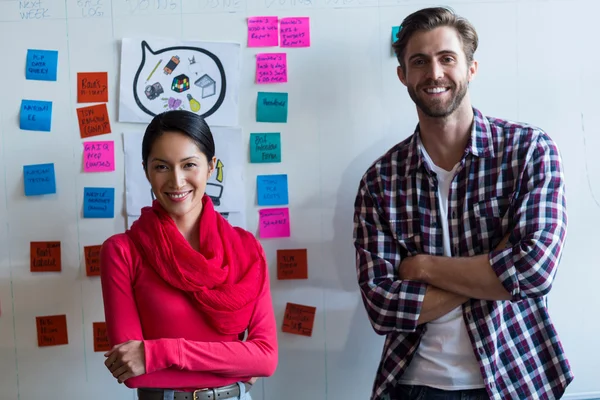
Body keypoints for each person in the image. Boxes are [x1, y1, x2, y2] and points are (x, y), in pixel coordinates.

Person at [353, 7, 572, 400]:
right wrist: (497, 265)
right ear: (402, 75)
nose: (434, 73)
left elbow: (535, 272)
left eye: (447, 58)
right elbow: (382, 307)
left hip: (515, 376)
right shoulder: (380, 181)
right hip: (414, 385)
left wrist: (422, 267)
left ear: (471, 68)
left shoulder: (528, 151)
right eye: (419, 62)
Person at [100, 110, 277, 400]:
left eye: (189, 165)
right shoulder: (122, 252)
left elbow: (266, 359)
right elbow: (133, 373)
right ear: (146, 170)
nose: (177, 181)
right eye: (162, 167)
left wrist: (158, 352)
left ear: (211, 168)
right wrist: (239, 363)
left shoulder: (247, 249)